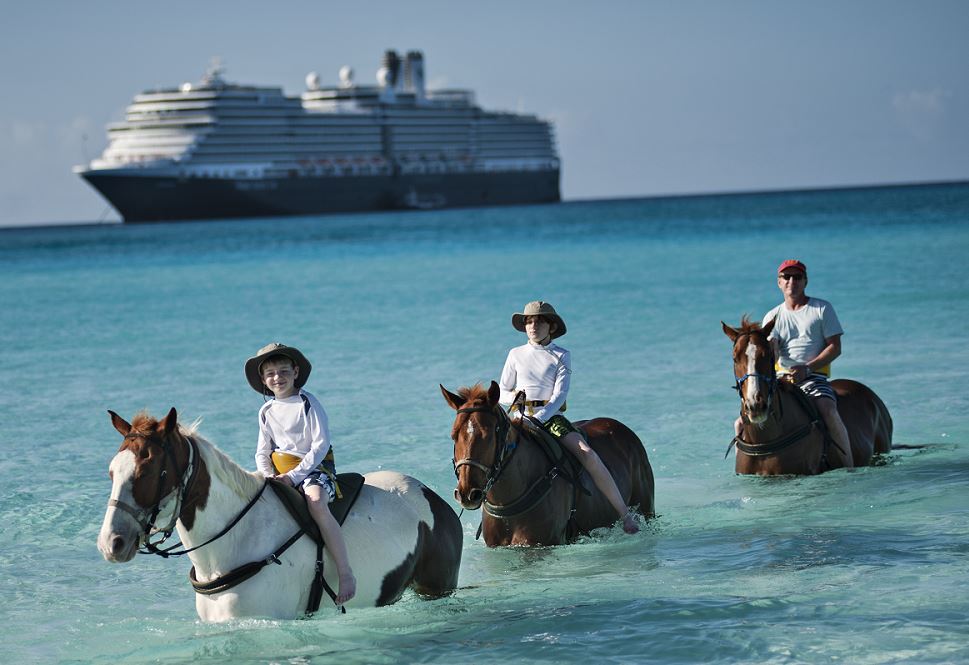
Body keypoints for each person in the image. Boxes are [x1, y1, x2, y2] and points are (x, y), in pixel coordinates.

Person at [498, 301, 640, 534]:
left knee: (587, 453)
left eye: (539, 320)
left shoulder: (562, 355)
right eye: (529, 321)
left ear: (551, 326)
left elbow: (560, 394)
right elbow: (503, 390)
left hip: (551, 418)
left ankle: (624, 514)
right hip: (518, 417)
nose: (533, 325)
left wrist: (541, 417)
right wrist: (513, 397)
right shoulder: (515, 354)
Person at [245, 342, 356, 604]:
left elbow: (321, 445)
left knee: (316, 503)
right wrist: (268, 475)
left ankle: (345, 572)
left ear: (295, 372)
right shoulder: (266, 411)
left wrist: (294, 477)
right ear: (263, 379)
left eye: (283, 371)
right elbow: (262, 452)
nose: (277, 378)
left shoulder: (308, 402)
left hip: (314, 469)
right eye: (271, 374)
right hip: (279, 472)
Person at [734, 260, 854, 467]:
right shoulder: (772, 315)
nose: (792, 281)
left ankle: (847, 463)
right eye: (786, 277)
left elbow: (835, 347)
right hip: (781, 378)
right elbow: (770, 352)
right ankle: (744, 467)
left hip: (814, 376)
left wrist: (807, 368)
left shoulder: (821, 308)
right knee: (739, 422)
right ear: (779, 283)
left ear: (805, 281)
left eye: (797, 277)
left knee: (828, 409)